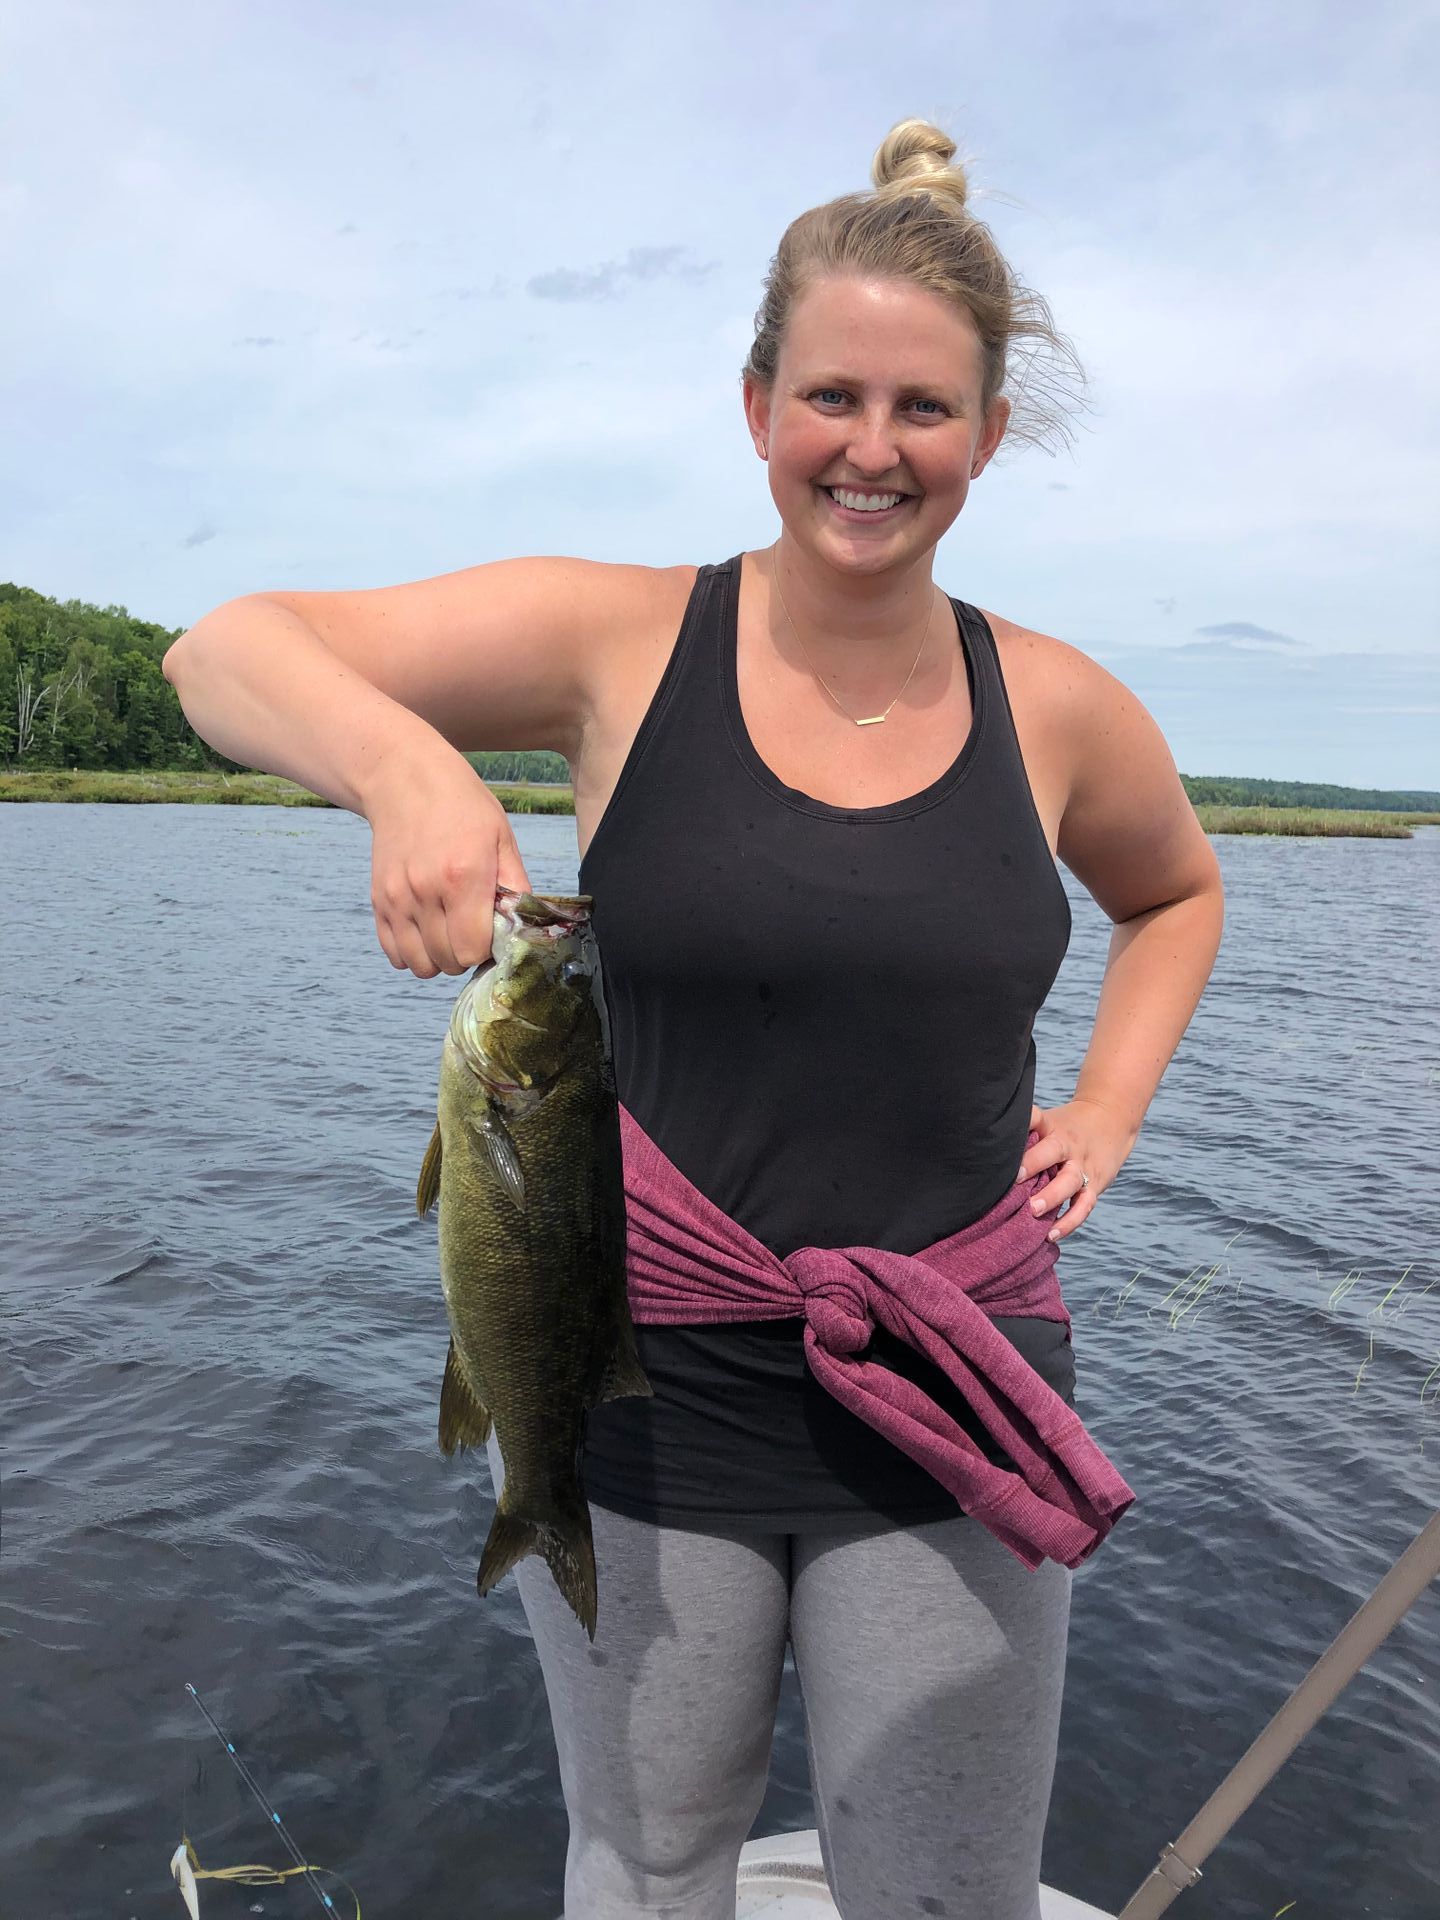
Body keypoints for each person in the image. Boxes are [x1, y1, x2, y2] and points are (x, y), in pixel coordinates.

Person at [165, 117, 1224, 1920]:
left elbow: (1178, 895)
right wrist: (406, 768)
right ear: (754, 407)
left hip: (954, 1384)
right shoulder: (621, 642)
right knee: (650, 1866)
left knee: (950, 1892)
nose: (871, 451)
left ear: (983, 437)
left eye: (924, 410)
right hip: (635, 1379)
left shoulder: (1058, 705)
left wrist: (1113, 1109)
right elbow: (224, 650)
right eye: (830, 397)